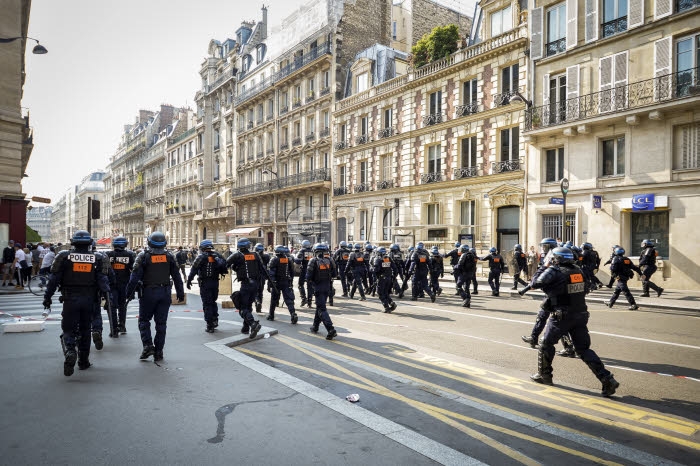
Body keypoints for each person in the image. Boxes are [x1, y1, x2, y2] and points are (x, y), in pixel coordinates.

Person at [529, 247, 620, 397]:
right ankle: (607, 379)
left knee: (545, 344)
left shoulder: (555, 271)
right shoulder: (578, 271)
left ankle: (544, 375)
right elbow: (586, 288)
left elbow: (535, 283)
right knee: (584, 349)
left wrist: (543, 267)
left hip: (561, 316)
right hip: (580, 314)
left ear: (556, 258)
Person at [42, 230, 111, 376]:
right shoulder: (98, 258)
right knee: (86, 330)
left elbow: (53, 280)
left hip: (70, 299)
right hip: (89, 300)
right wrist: (106, 298)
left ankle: (70, 350)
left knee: (68, 329)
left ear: (73, 242)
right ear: (89, 243)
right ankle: (83, 361)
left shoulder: (64, 256)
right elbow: (103, 282)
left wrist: (47, 298)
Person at [126, 231, 184, 361]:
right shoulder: (170, 256)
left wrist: (128, 294)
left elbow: (134, 278)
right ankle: (159, 351)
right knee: (161, 323)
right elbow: (177, 276)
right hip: (165, 293)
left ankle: (147, 346)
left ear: (149, 242)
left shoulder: (143, 256)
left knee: (144, 321)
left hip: (148, 293)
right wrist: (180, 293)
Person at [226, 238, 266, 338]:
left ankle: (253, 324)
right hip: (255, 285)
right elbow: (263, 269)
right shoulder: (255, 255)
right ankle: (246, 328)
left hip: (246, 284)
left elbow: (226, 263)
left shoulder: (237, 255)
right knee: (248, 306)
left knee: (242, 307)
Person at [187, 240, 227, 333]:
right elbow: (225, 266)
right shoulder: (217, 255)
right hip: (215, 282)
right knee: (213, 301)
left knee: (207, 303)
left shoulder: (201, 257)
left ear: (202, 248)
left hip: (205, 283)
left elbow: (194, 269)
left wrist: (189, 281)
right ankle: (215, 319)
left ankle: (209, 325)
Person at [306, 243, 337, 340]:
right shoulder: (330, 260)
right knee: (320, 306)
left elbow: (308, 277)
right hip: (327, 287)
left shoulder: (313, 261)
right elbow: (335, 274)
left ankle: (330, 329)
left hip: (318, 287)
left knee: (322, 309)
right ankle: (315, 326)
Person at [266, 245, 298, 324]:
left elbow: (271, 274)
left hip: (276, 283)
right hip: (286, 282)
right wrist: (290, 282)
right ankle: (293, 314)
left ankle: (271, 315)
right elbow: (292, 272)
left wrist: (270, 284)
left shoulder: (274, 259)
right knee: (288, 300)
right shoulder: (288, 259)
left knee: (274, 300)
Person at [372, 247, 398, 313]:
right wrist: (394, 276)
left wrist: (372, 270)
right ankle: (392, 303)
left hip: (382, 279)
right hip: (389, 278)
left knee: (380, 293)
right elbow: (395, 268)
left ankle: (386, 307)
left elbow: (375, 270)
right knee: (385, 293)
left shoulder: (378, 259)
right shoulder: (388, 258)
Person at [294, 240, 314, 307]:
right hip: (312, 270)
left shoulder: (302, 251)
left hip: (304, 269)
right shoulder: (312, 251)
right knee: (310, 286)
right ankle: (309, 302)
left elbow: (298, 261)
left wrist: (294, 258)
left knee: (300, 284)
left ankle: (303, 298)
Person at [254, 243, 270, 313]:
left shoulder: (254, 256)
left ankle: (257, 302)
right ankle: (259, 304)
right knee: (260, 291)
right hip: (262, 276)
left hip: (255, 276)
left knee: (255, 291)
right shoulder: (266, 256)